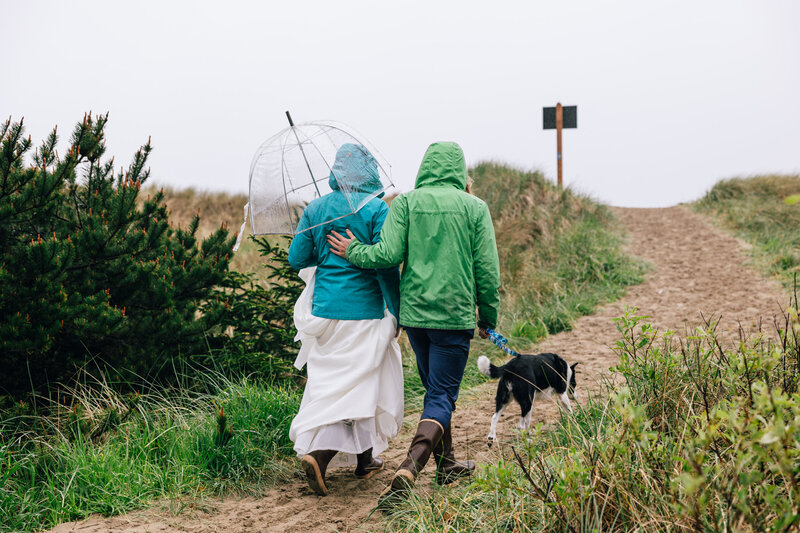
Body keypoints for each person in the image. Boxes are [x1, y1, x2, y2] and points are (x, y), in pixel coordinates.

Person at [327, 141, 500, 499]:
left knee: (435, 390)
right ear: (459, 171)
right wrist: (488, 317)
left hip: (416, 316)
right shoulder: (475, 208)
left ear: (425, 167)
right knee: (442, 396)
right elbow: (487, 271)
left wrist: (352, 250)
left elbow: (387, 254)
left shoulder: (405, 202)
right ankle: (411, 465)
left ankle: (447, 463)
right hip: (453, 317)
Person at [287, 143, 403, 497]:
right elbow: (385, 264)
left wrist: (314, 230)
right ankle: (319, 458)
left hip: (324, 313)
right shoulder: (374, 211)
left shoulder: (317, 209)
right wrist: (397, 312)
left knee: (333, 384)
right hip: (366, 313)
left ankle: (365, 460)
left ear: (336, 173)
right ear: (368, 172)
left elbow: (297, 258)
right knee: (366, 384)